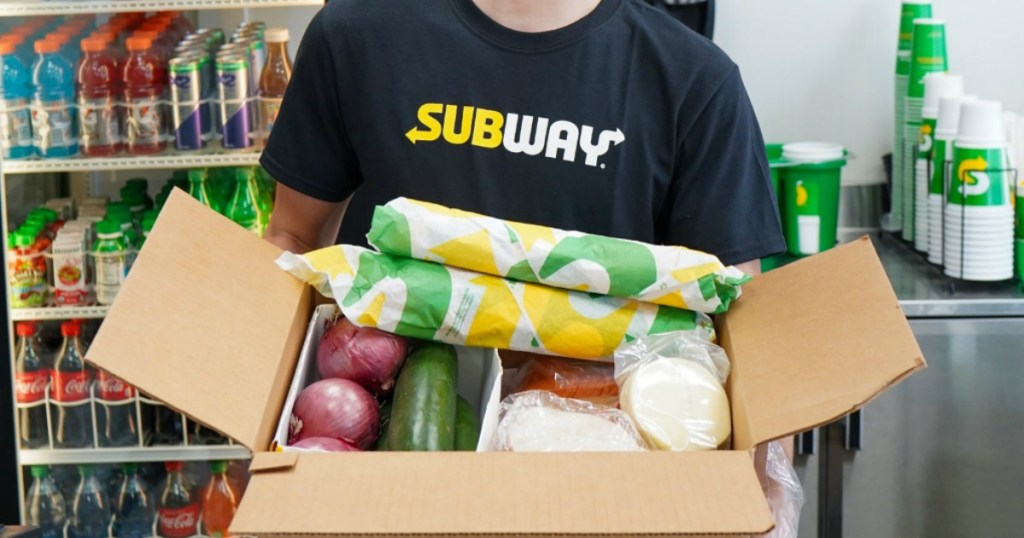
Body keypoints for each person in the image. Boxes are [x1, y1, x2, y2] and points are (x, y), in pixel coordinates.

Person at [261, 0, 791, 459]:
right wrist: (256, 416)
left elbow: (742, 335)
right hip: (388, 453)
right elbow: (291, 240)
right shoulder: (355, 34)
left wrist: (765, 499)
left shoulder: (694, 81)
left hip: (603, 462)